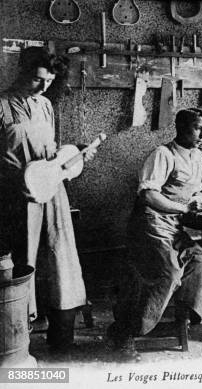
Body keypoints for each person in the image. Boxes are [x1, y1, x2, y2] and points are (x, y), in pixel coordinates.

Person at [0, 47, 96, 354]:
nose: (44, 87)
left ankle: (61, 335)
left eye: (50, 80)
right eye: (38, 79)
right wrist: (16, 180)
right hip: (14, 197)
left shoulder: (44, 105)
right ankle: (17, 341)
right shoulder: (2, 105)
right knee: (22, 263)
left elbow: (52, 151)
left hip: (52, 192)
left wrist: (73, 155)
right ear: (22, 72)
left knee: (59, 259)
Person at [108, 109, 202, 361]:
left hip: (173, 226)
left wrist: (201, 203)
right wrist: (184, 208)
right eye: (198, 128)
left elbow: (191, 192)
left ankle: (181, 321)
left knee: (199, 262)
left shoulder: (196, 156)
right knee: (170, 272)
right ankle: (126, 333)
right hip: (149, 226)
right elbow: (148, 195)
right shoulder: (162, 154)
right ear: (180, 127)